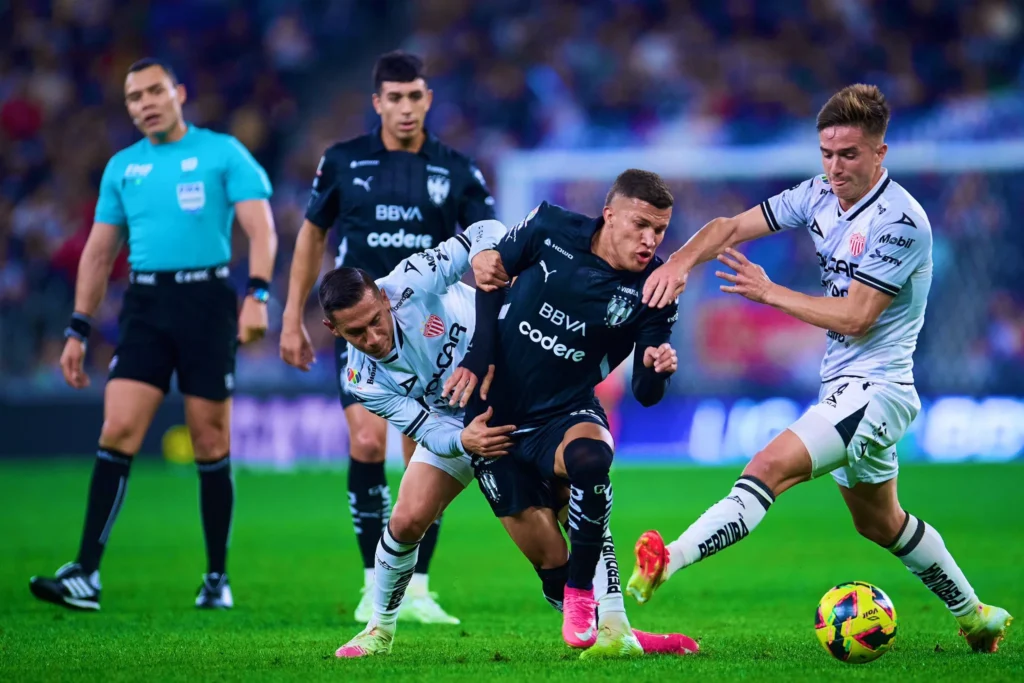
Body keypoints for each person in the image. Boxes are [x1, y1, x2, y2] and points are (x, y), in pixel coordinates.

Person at [626, 84, 1013, 654]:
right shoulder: (817, 194)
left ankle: (669, 560)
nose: (835, 167)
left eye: (849, 154)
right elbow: (731, 228)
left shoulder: (901, 222)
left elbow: (857, 316)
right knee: (881, 524)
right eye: (827, 154)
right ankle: (977, 616)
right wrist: (681, 262)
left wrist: (769, 291)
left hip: (877, 390)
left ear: (880, 154)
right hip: (845, 386)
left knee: (768, 467)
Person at [319, 223, 697, 659]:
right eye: (356, 334)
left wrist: (481, 254)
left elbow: (487, 230)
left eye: (374, 322)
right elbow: (424, 428)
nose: (373, 338)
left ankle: (617, 628)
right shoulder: (360, 379)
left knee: (575, 493)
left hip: (521, 390)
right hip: (460, 428)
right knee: (407, 521)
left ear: (383, 299)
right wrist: (464, 439)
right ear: (333, 329)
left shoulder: (409, 281)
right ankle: (379, 631)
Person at [29, 58, 276, 611]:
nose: (144, 103)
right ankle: (85, 575)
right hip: (145, 305)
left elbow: (261, 225)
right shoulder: (122, 167)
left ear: (178, 93)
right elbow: (99, 251)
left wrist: (257, 295)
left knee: (210, 440)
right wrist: (77, 328)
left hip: (208, 302)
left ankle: (216, 577)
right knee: (117, 428)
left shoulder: (222, 152)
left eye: (153, 92)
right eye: (133, 97)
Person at [280, 50, 494, 625]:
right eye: (393, 98)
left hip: (427, 329)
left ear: (428, 99)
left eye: (415, 96)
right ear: (377, 102)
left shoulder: (457, 168)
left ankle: (418, 585)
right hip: (362, 331)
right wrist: (289, 317)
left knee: (424, 449)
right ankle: (372, 581)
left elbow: (485, 243)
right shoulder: (343, 161)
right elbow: (311, 237)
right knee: (368, 444)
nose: (405, 108)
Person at [452, 169, 683, 658]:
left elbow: (645, 393)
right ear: (609, 214)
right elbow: (490, 276)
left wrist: (657, 370)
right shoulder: (549, 226)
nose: (650, 240)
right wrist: (479, 353)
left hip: (566, 410)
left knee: (591, 462)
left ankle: (583, 596)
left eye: (659, 230)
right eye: (640, 224)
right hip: (495, 419)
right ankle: (608, 624)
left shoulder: (655, 287)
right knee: (549, 557)